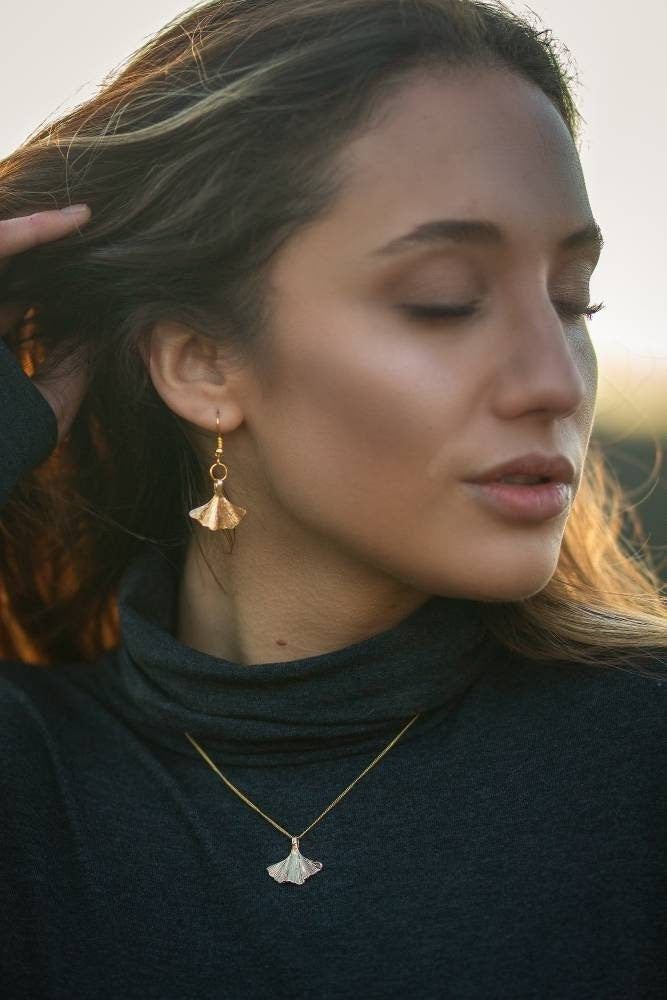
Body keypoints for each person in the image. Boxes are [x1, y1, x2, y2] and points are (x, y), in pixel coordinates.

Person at [0, 1, 665, 997]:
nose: (557, 379)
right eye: (443, 296)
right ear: (202, 362)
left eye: (571, 301)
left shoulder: (639, 764)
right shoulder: (30, 781)